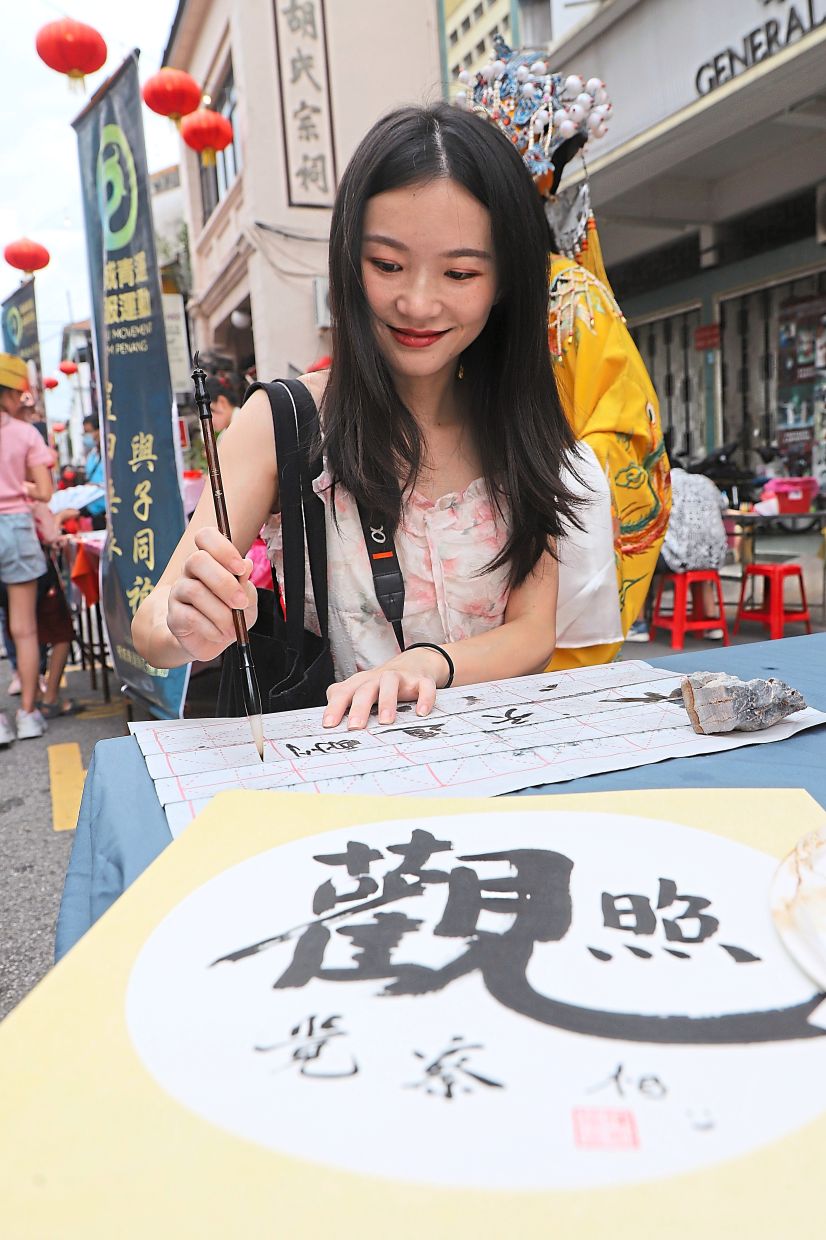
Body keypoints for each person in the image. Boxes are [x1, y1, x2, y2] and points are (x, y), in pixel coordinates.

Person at [133, 103, 585, 727]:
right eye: (388, 265)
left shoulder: (520, 420)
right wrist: (188, 622)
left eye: (459, 272)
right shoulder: (286, 420)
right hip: (346, 790)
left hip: (506, 772)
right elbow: (152, 624)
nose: (417, 302)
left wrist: (425, 666)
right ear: (349, 262)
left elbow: (534, 631)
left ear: (504, 281)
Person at [464, 40, 671, 668]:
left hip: (528, 542)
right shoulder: (437, 299)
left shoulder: (569, 298)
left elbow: (628, 438)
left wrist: (518, 488)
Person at [0, 354, 53, 742]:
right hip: (16, 527)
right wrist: (19, 486)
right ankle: (28, 714)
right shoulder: (24, 434)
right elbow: (46, 491)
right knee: (24, 629)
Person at [626, 463, 729, 642]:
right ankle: (711, 621)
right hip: (713, 557)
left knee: (639, 560)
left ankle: (638, 625)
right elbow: (723, 505)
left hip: (679, 557)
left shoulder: (661, 483)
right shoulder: (705, 482)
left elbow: (645, 514)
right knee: (698, 555)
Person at [79, 414, 107, 530]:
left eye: (89, 431)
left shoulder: (111, 454)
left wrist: (98, 486)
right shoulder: (92, 456)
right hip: (94, 512)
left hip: (108, 511)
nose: (88, 436)